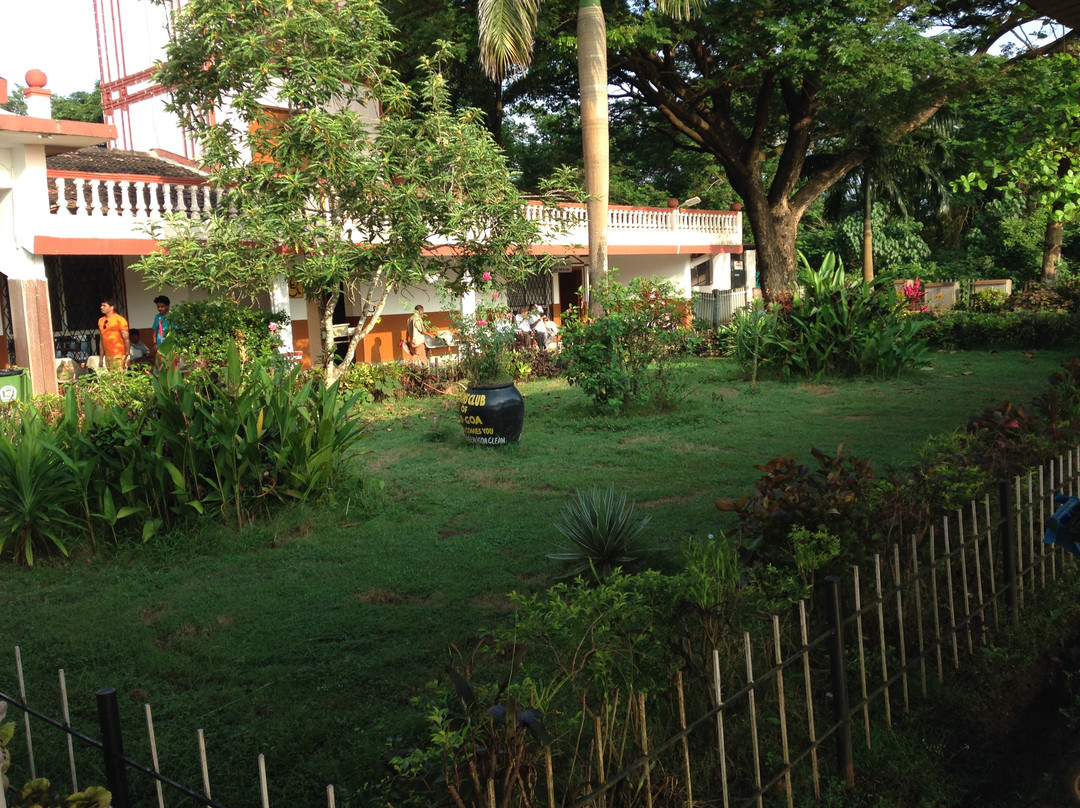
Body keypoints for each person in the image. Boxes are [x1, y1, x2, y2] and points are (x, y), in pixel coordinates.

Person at [98, 299, 130, 372]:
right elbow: (101, 340)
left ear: (112, 307)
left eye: (104, 306)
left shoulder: (119, 320)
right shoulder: (101, 320)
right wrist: (101, 358)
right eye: (101, 305)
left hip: (119, 354)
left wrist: (127, 355)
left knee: (118, 378)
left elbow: (126, 339)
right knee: (112, 378)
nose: (101, 307)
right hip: (108, 355)